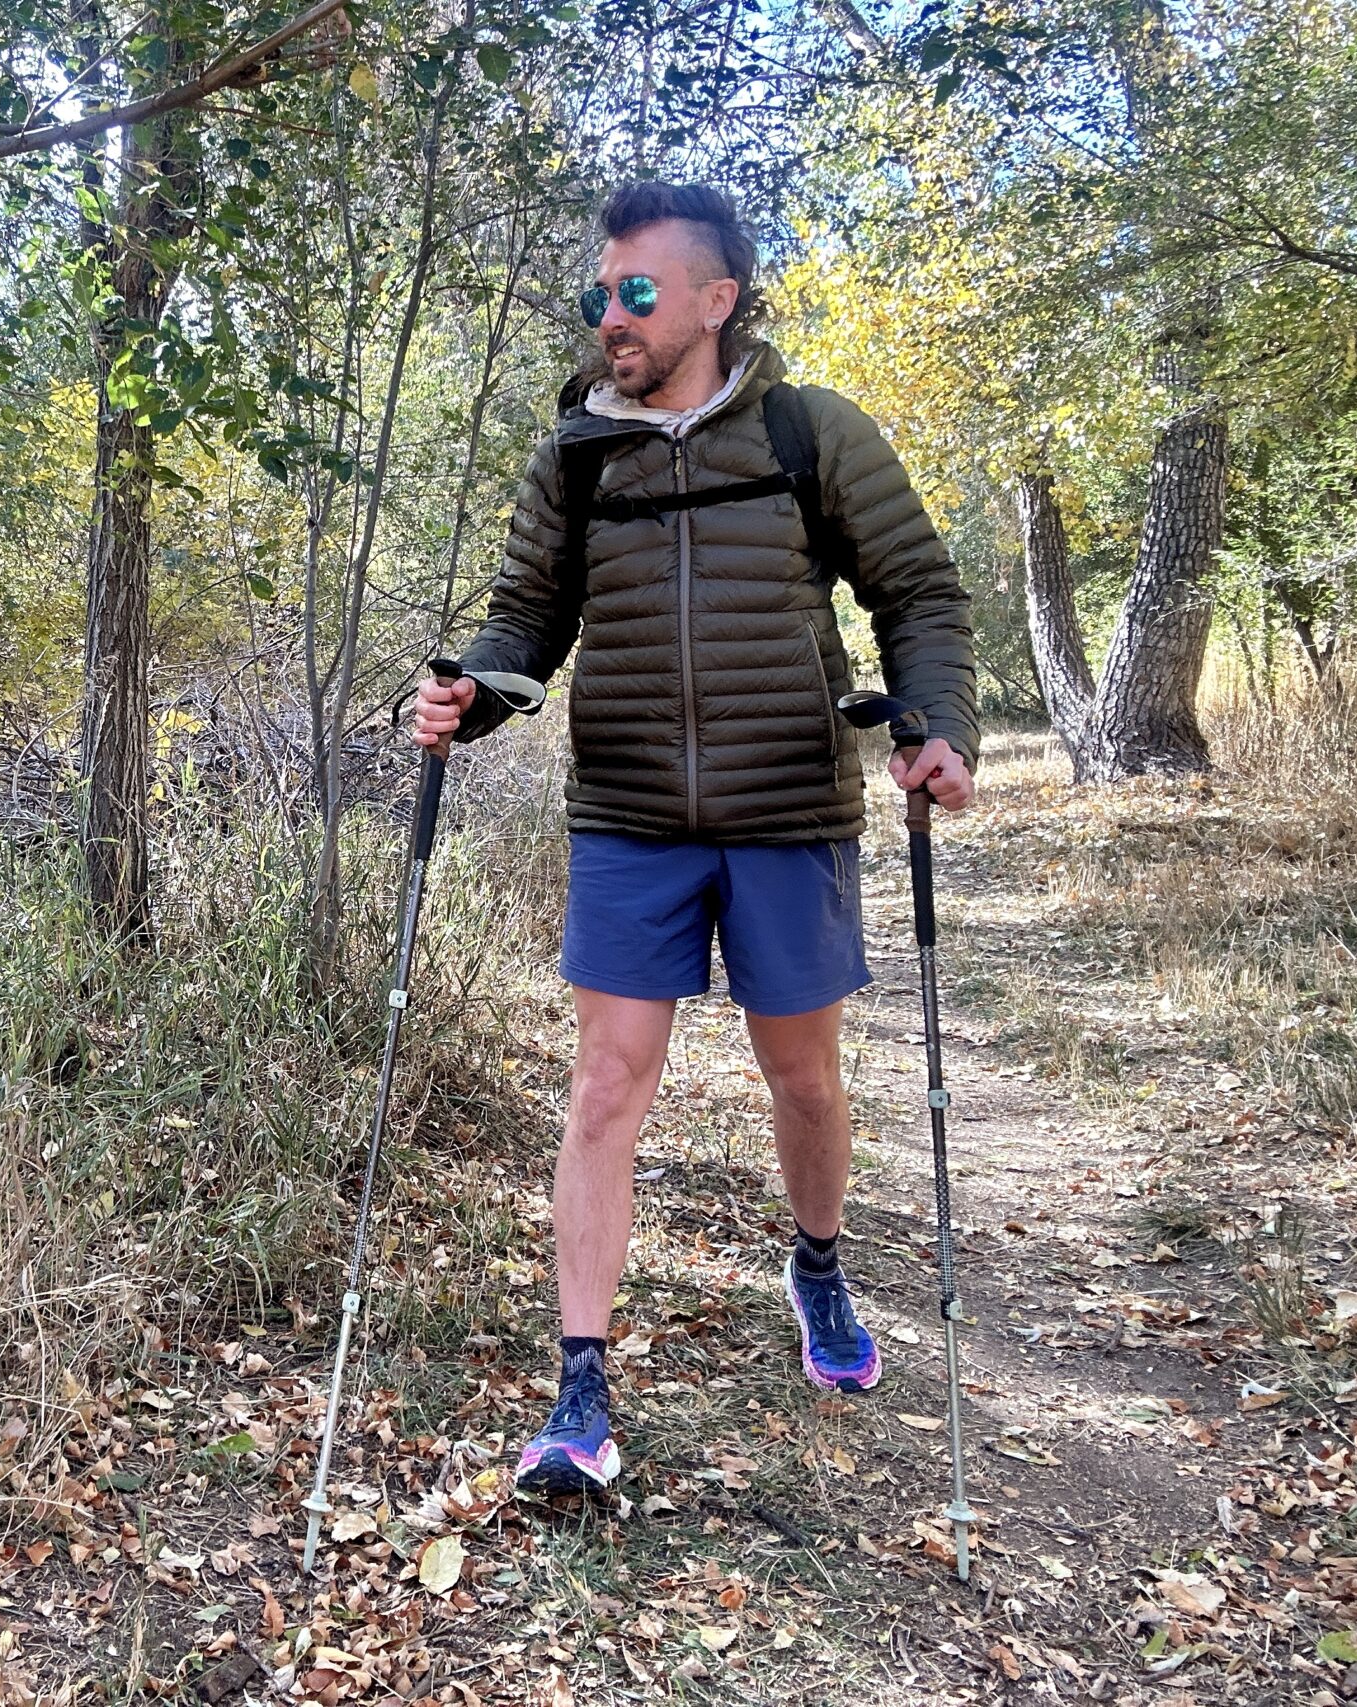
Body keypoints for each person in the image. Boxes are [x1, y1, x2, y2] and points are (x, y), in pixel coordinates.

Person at [413, 181, 979, 1495]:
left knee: (805, 1082)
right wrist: (471, 699)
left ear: (715, 303)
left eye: (639, 293)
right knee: (607, 1089)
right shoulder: (574, 455)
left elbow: (917, 591)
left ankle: (820, 1265)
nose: (611, 314)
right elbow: (523, 628)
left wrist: (937, 725)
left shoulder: (807, 432)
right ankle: (580, 1396)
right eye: (600, 293)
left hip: (787, 808)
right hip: (627, 815)